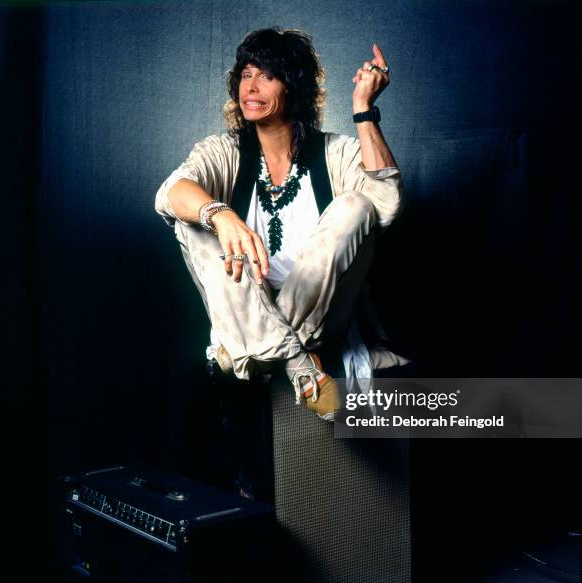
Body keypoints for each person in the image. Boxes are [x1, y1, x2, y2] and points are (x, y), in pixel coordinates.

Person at [155, 28, 407, 421]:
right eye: (246, 73)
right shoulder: (224, 151)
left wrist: (363, 107)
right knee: (191, 221)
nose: (251, 87)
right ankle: (297, 365)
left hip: (320, 316)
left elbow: (385, 205)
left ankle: (258, 348)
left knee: (356, 205)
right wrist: (220, 215)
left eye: (267, 75)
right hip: (250, 305)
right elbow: (170, 192)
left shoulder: (334, 153)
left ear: (293, 87)